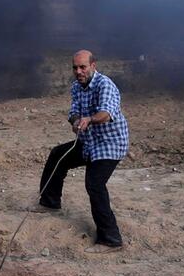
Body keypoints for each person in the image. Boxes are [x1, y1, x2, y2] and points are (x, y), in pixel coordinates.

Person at [37, 50, 129, 252]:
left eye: (82, 67)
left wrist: (89, 119)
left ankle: (111, 239)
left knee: (94, 184)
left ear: (93, 66)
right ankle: (50, 202)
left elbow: (106, 114)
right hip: (88, 142)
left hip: (109, 143)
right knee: (57, 155)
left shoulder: (104, 85)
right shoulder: (76, 87)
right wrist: (76, 120)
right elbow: (73, 112)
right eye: (75, 68)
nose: (78, 71)